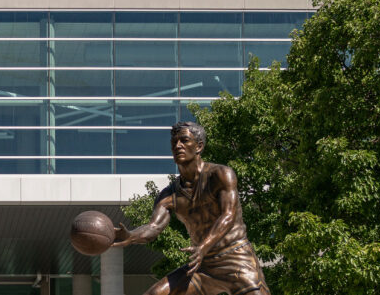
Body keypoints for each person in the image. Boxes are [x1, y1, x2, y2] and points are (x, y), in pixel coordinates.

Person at [113, 121, 270, 295]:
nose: (178, 146)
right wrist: (131, 235)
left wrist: (202, 247)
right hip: (203, 266)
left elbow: (228, 215)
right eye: (174, 143)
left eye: (184, 140)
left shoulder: (220, 175)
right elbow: (153, 227)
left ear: (199, 146)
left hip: (237, 259)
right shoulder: (169, 195)